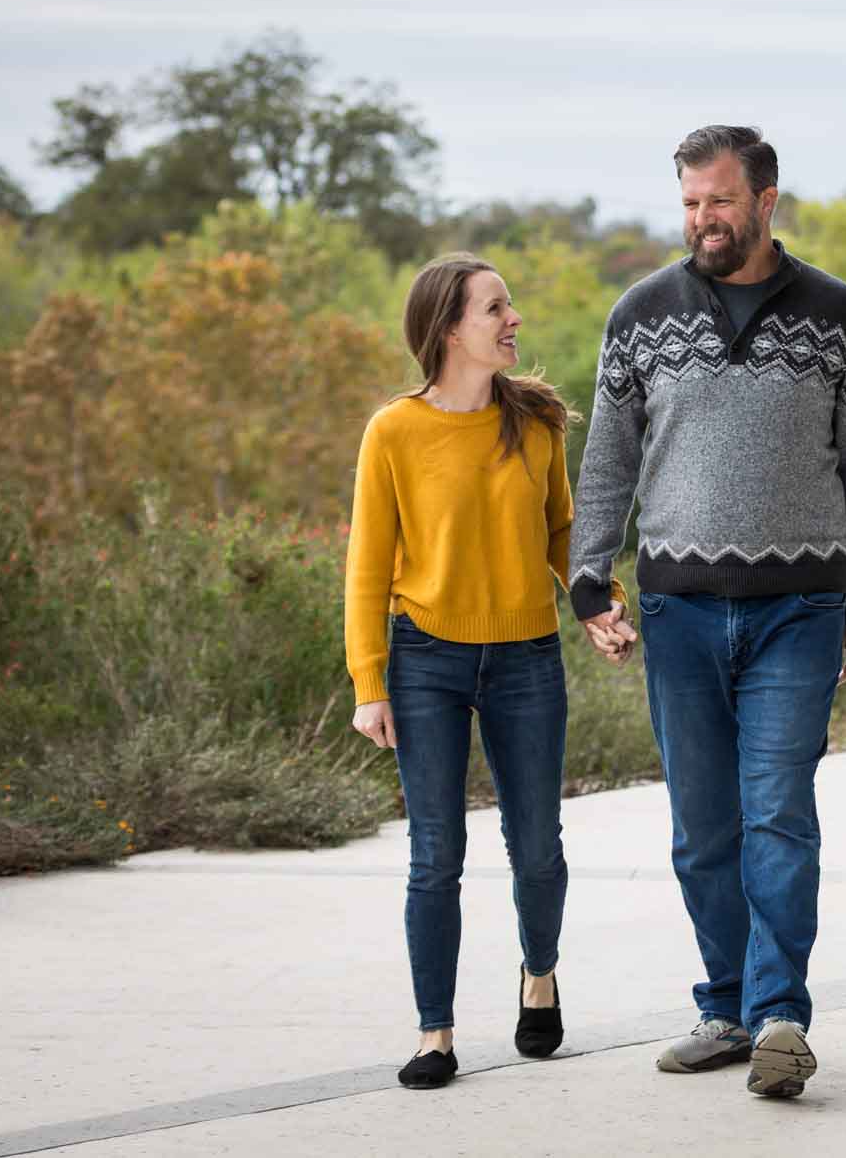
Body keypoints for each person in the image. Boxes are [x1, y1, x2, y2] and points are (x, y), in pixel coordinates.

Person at [569, 125, 846, 1099]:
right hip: (679, 611)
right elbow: (608, 459)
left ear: (764, 199)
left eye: (718, 200)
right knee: (702, 828)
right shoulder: (640, 314)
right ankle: (725, 1006)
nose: (703, 220)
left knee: (777, 814)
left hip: (800, 606)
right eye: (689, 204)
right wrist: (590, 579)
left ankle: (780, 1013)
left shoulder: (837, 313)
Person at [344, 253, 628, 1090]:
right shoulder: (393, 430)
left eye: (510, 304)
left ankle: (538, 974)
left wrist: (598, 602)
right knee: (437, 854)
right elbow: (367, 564)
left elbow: (562, 533)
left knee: (537, 847)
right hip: (424, 657)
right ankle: (436, 1033)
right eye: (495, 307)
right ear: (447, 328)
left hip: (526, 656)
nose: (514, 319)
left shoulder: (534, 421)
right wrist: (369, 683)